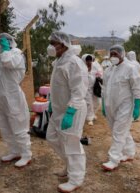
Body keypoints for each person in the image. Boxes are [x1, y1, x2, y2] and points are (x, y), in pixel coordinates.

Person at [46, 31, 88, 192]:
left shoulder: (74, 63)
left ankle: (76, 178)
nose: (50, 46)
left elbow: (79, 91)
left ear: (63, 45)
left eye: (53, 43)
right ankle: (70, 166)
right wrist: (51, 103)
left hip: (73, 110)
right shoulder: (59, 61)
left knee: (72, 144)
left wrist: (70, 112)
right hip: (58, 109)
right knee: (52, 137)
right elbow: (57, 86)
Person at [0, 33, 32, 168]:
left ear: (9, 42)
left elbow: (8, 63)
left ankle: (26, 154)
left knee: (18, 125)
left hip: (13, 96)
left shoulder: (16, 53)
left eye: (2, 41)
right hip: (0, 97)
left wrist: (5, 49)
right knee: (5, 126)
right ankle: (14, 151)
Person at [102, 45, 140, 171]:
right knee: (121, 130)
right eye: (112, 54)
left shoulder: (130, 68)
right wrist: (104, 105)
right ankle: (129, 152)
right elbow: (104, 89)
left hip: (125, 106)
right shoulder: (109, 70)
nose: (113, 57)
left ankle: (114, 159)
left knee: (118, 131)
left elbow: (138, 87)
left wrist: (137, 107)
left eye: (116, 54)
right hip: (110, 106)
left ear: (122, 55)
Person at [82, 54, 96, 126]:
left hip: (92, 89)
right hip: (84, 90)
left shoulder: (94, 68)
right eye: (87, 60)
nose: (89, 62)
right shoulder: (81, 69)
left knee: (93, 103)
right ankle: (89, 118)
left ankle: (91, 116)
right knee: (88, 104)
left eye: (90, 60)